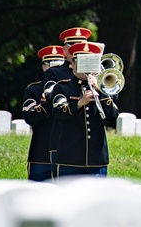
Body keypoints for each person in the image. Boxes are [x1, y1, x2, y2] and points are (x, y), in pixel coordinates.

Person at [50, 41, 119, 177]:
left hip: (96, 160)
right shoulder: (62, 87)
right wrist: (80, 103)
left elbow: (113, 115)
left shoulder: (102, 90)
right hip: (70, 159)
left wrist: (100, 89)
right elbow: (58, 111)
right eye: (82, 61)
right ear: (73, 64)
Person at [42, 26, 93, 178]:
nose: (80, 50)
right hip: (62, 138)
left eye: (82, 46)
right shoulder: (55, 72)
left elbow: (112, 101)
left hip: (90, 146)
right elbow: (50, 97)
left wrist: (97, 84)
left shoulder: (95, 73)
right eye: (74, 47)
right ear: (65, 51)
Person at [21, 45, 66, 181]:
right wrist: (50, 99)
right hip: (40, 153)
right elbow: (29, 116)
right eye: (49, 64)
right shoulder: (34, 90)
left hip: (64, 153)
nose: (52, 69)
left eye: (57, 65)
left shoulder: (70, 88)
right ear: (43, 67)